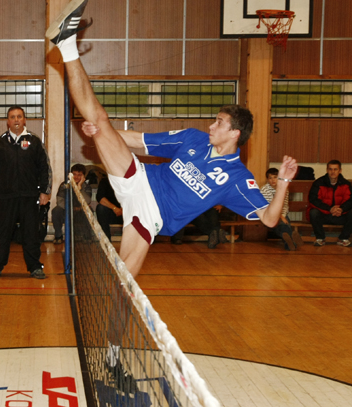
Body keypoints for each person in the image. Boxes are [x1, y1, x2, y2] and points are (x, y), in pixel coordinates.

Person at [47, 0, 297, 391]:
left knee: (122, 289)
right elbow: (138, 141)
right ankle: (66, 46)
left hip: (150, 219)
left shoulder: (237, 178)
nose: (211, 125)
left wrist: (281, 183)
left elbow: (268, 220)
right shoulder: (192, 139)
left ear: (235, 134)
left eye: (219, 123)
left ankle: (110, 359)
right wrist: (103, 135)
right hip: (137, 179)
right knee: (98, 118)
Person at [0, 106, 52, 279]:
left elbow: (45, 169)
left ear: (24, 120)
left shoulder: (35, 142)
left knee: (31, 233)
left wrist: (45, 191)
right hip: (6, 197)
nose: (16, 120)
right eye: (12, 117)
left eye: (19, 117)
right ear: (8, 121)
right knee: (3, 233)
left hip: (30, 196)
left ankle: (35, 267)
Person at [306, 160, 352, 247]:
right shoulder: (318, 183)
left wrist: (341, 209)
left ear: (340, 170)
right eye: (330, 169)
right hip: (324, 215)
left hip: (340, 214)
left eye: (335, 169)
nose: (333, 172)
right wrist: (330, 209)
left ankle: (343, 239)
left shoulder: (346, 184)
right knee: (313, 212)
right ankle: (320, 238)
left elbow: (350, 201)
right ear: (327, 170)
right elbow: (313, 200)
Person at [261, 168, 304, 250]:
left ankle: (289, 244)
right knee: (280, 223)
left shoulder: (284, 189)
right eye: (270, 178)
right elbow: (269, 207)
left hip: (281, 214)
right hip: (268, 215)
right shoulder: (264, 190)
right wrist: (281, 217)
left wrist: (283, 216)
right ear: (267, 179)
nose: (273, 180)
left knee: (283, 225)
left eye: (275, 177)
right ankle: (292, 240)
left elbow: (284, 205)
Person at [51, 163, 91, 244]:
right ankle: (58, 236)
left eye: (79, 175)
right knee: (56, 210)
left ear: (83, 176)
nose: (76, 177)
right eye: (74, 174)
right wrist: (71, 208)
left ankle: (87, 236)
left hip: (80, 212)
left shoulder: (86, 187)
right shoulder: (64, 185)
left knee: (89, 210)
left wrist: (79, 187)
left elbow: (87, 201)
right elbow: (60, 201)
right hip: (67, 211)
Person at [95, 175, 122, 240]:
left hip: (127, 212)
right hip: (111, 213)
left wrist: (124, 209)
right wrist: (115, 208)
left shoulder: (128, 181)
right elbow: (100, 198)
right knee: (100, 208)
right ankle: (106, 240)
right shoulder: (105, 181)